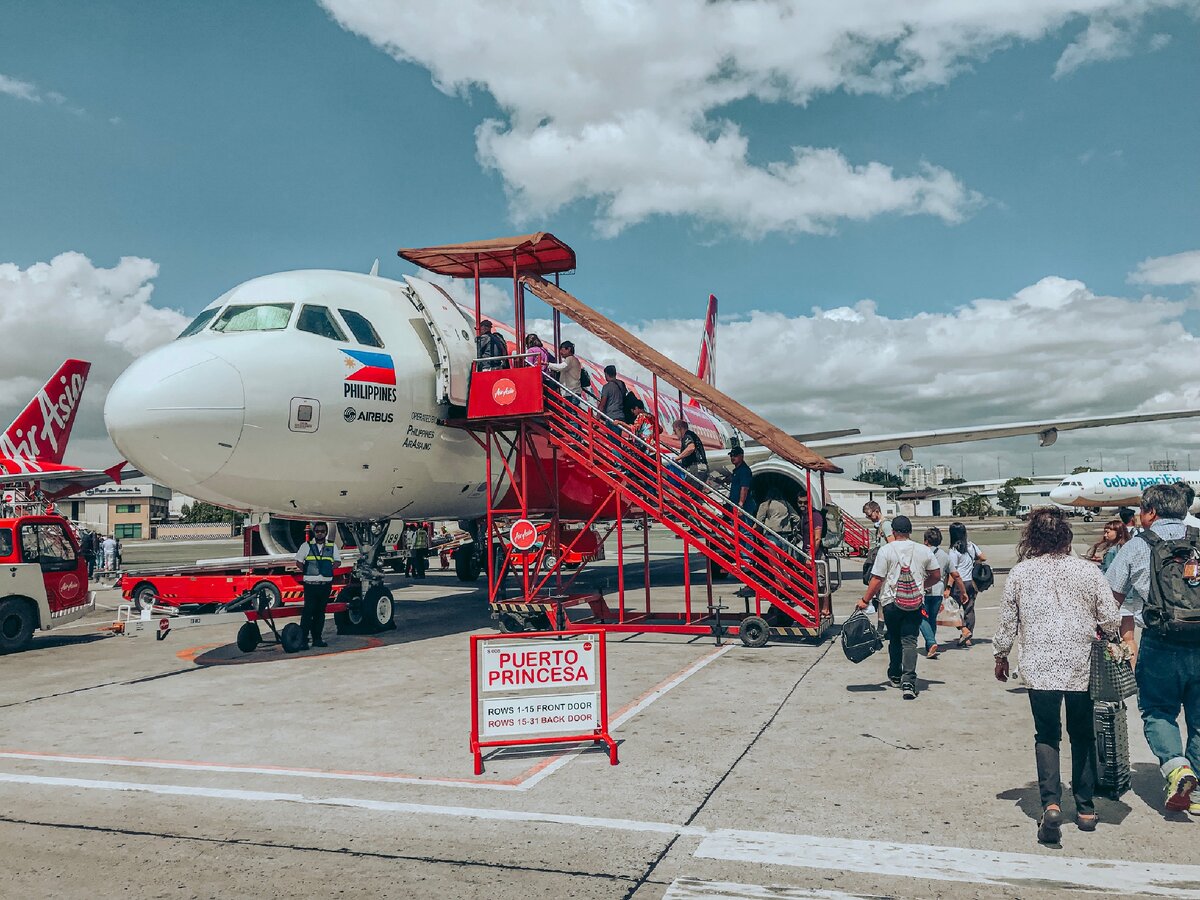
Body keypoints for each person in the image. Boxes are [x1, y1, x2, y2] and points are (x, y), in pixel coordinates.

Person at [994, 506, 1121, 842]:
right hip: (1081, 667)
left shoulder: (1020, 573)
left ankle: (1051, 805)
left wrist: (1001, 655)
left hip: (1039, 668)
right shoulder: (1088, 571)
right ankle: (1085, 809)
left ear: (1033, 538)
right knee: (1082, 735)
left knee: (1047, 735)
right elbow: (1110, 618)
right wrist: (1109, 637)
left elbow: (1007, 622)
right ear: (1066, 536)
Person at [1106, 482, 1200, 813]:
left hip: (1162, 643)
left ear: (1151, 512)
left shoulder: (1138, 545)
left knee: (1158, 710)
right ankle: (1197, 794)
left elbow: (1110, 597)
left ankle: (1177, 768)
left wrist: (1113, 636)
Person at [856, 515, 942, 699]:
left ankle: (895, 674)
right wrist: (921, 586)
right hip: (915, 603)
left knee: (895, 639)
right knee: (910, 641)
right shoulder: (923, 550)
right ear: (910, 531)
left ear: (893, 531)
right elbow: (936, 575)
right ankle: (909, 681)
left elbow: (877, 579)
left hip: (891, 603)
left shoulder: (886, 550)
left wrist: (865, 600)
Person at [294, 522, 340, 649]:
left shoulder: (332, 546)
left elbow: (337, 561)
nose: (320, 533)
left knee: (320, 613)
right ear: (314, 532)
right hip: (310, 585)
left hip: (325, 585)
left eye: (322, 531)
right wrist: (308, 571)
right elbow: (298, 562)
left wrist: (327, 570)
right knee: (308, 612)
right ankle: (303, 640)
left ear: (326, 533)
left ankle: (317, 639)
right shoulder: (306, 545)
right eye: (317, 531)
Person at [948, 521, 986, 648]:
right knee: (969, 609)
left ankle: (964, 630)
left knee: (951, 609)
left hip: (959, 583)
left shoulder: (954, 550)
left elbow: (953, 572)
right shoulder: (971, 546)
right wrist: (974, 562)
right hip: (971, 582)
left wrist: (948, 587)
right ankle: (969, 636)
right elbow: (983, 557)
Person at [862, 501, 894, 632]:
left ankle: (883, 627)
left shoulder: (886, 525)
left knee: (883, 597)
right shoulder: (880, 525)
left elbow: (892, 544)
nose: (869, 518)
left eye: (870, 515)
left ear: (877, 511)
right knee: (881, 597)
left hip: (886, 567)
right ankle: (882, 626)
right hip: (882, 565)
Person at [920, 527, 951, 659]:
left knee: (921, 617)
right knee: (932, 618)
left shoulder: (922, 552)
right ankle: (930, 647)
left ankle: (931, 642)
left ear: (926, 541)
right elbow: (953, 573)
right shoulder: (945, 555)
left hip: (925, 588)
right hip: (938, 590)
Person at [671, 419, 709, 485]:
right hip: (701, 467)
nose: (674, 433)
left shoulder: (687, 436)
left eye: (675, 430)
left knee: (688, 489)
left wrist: (677, 458)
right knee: (695, 490)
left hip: (695, 468)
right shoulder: (692, 435)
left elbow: (691, 448)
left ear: (679, 428)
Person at [728, 446, 757, 520]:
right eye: (731, 455)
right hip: (735, 505)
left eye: (735, 455)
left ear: (741, 456)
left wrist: (741, 504)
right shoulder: (737, 471)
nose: (732, 457)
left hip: (744, 506)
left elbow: (744, 488)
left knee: (744, 525)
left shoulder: (744, 470)